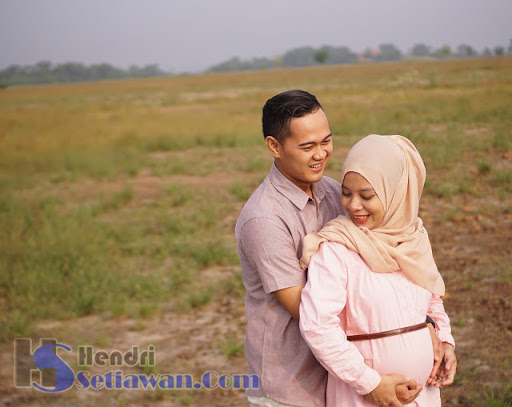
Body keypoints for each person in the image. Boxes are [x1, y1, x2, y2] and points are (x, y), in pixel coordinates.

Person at [235, 90, 441, 407]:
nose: (321, 154)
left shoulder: (337, 192)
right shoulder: (264, 219)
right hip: (294, 387)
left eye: (326, 141)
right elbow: (310, 313)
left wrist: (426, 325)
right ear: (274, 146)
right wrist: (410, 332)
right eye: (307, 147)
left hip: (345, 380)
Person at [299, 134, 457, 406]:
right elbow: (318, 326)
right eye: (346, 193)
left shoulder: (413, 239)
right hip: (363, 397)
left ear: (395, 194)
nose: (353, 205)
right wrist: (370, 383)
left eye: (366, 196)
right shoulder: (336, 249)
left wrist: (445, 343)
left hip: (425, 395)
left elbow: (431, 299)